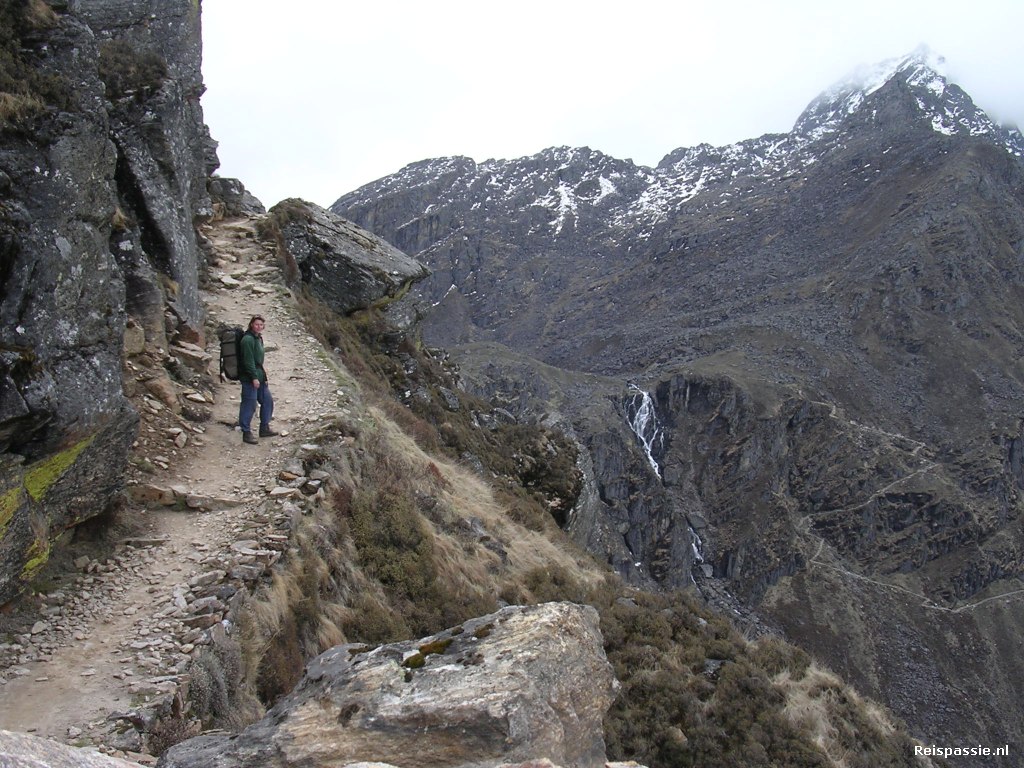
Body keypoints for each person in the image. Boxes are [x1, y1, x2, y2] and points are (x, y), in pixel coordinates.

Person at [238, 314, 277, 444]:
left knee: (267, 401)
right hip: (250, 378)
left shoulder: (258, 338)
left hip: (259, 376)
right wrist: (254, 378)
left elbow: (258, 361)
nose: (259, 327)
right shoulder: (248, 340)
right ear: (251, 325)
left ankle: (264, 427)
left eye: (261, 325)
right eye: (256, 324)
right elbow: (248, 361)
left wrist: (262, 377)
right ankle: (246, 432)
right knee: (249, 404)